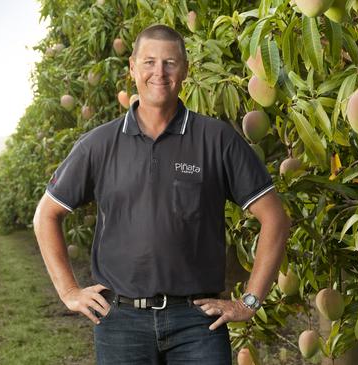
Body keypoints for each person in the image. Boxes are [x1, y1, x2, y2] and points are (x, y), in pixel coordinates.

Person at [33, 24, 290, 365]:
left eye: (170, 63)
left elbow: (274, 217)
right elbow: (46, 215)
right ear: (133, 68)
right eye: (149, 61)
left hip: (197, 323)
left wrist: (250, 302)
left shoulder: (216, 139)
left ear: (185, 69)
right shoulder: (99, 144)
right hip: (120, 321)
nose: (159, 72)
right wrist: (68, 291)